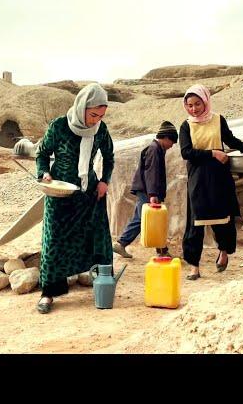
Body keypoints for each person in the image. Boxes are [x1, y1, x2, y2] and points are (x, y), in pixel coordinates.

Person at [35, 83, 115, 314]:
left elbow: (109, 157)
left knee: (98, 237)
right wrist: (44, 173)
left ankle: (103, 284)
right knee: (54, 242)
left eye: (100, 115)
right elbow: (42, 153)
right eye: (92, 115)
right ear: (82, 107)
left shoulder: (100, 129)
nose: (95, 120)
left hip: (88, 193)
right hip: (59, 192)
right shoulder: (60, 126)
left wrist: (104, 181)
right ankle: (49, 293)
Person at [179, 85, 243, 280]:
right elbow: (186, 152)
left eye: (197, 104)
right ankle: (194, 266)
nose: (194, 109)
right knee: (196, 222)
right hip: (198, 177)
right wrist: (213, 153)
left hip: (219, 176)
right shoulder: (186, 126)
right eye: (190, 105)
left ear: (205, 101)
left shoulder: (218, 120)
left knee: (223, 217)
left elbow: (231, 140)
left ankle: (224, 251)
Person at [113, 121, 179, 259]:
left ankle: (159, 249)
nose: (171, 146)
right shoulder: (154, 150)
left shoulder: (156, 149)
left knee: (149, 218)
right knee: (148, 219)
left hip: (147, 190)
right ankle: (160, 250)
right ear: (166, 137)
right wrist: (153, 194)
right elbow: (151, 173)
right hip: (148, 191)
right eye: (171, 142)